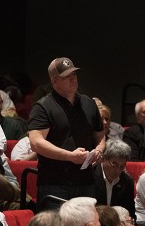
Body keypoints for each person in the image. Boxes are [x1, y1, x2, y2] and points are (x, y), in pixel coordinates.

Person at [27, 57, 105, 207]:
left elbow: (100, 136)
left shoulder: (89, 103)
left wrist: (99, 151)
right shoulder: (43, 106)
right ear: (54, 82)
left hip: (85, 181)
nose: (73, 79)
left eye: (74, 75)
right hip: (55, 183)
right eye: (66, 77)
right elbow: (36, 143)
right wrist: (70, 156)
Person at [94, 138, 136, 220]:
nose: (118, 170)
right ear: (103, 159)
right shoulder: (90, 176)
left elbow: (130, 213)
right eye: (114, 164)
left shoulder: (127, 181)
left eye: (122, 165)